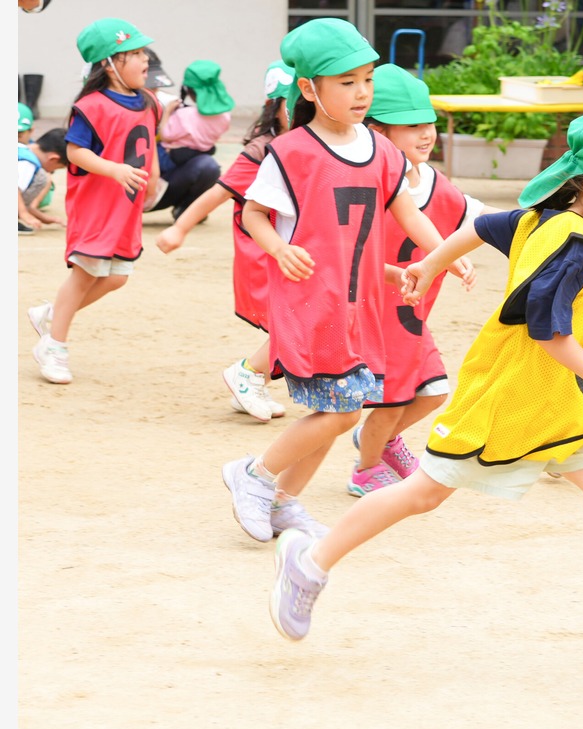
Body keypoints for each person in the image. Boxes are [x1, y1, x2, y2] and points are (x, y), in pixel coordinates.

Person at [268, 107, 583, 669]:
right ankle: (309, 562)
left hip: (558, 408)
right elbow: (546, 331)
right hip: (509, 403)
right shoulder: (575, 243)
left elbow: (480, 227)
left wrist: (431, 265)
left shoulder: (548, 219)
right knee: (424, 494)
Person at [221, 19, 455, 542]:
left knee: (339, 409)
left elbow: (409, 212)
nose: (361, 92)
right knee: (339, 411)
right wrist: (279, 249)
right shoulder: (293, 152)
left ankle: (282, 501)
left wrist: (443, 254)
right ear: (309, 88)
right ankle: (254, 476)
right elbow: (254, 213)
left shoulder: (382, 150)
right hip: (313, 304)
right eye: (346, 81)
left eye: (366, 79)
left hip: (362, 305)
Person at [347, 63, 490, 496]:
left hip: (411, 319)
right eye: (411, 126)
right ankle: (365, 468)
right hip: (374, 317)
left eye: (429, 123)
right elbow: (346, 255)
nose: (426, 133)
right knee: (390, 404)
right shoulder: (365, 183)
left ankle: (380, 440)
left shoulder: (432, 181)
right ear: (378, 131)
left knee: (432, 394)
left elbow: (476, 218)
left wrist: (457, 258)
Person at [156, 60, 295, 423]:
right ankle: (247, 375)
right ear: (273, 107)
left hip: (296, 248)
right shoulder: (263, 150)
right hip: (267, 252)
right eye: (289, 101)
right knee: (296, 320)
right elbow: (219, 194)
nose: (298, 109)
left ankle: (251, 381)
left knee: (298, 320)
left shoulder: (312, 144)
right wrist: (180, 228)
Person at [27, 17, 161, 385]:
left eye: (143, 51)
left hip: (127, 206)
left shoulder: (148, 101)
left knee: (117, 277)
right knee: (86, 272)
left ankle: (51, 314)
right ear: (108, 64)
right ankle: (53, 345)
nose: (144, 59)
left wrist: (154, 175)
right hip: (96, 205)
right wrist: (114, 170)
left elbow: (152, 141)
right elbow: (76, 152)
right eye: (133, 53)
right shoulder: (91, 105)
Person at [149, 59, 233, 220]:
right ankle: (188, 207)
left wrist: (168, 112)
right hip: (194, 158)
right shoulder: (225, 117)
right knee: (210, 165)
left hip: (167, 159)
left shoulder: (184, 116)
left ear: (189, 90)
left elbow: (165, 134)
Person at [18, 126, 67, 235]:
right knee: (41, 177)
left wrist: (45, 218)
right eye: (58, 167)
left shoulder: (22, 148)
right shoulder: (28, 163)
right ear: (53, 159)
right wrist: (23, 214)